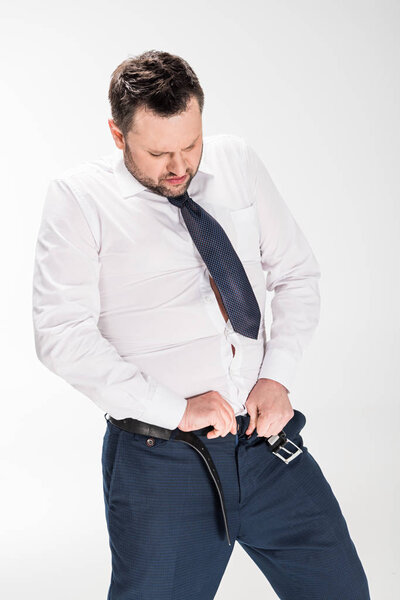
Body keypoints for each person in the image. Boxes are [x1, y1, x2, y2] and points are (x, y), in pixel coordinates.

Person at [32, 49, 371, 599]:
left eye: (191, 144)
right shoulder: (79, 199)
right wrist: (178, 409)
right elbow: (60, 336)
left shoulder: (236, 162)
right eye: (159, 152)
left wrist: (276, 376)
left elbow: (296, 274)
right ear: (118, 137)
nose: (179, 165)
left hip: (266, 448)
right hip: (162, 459)